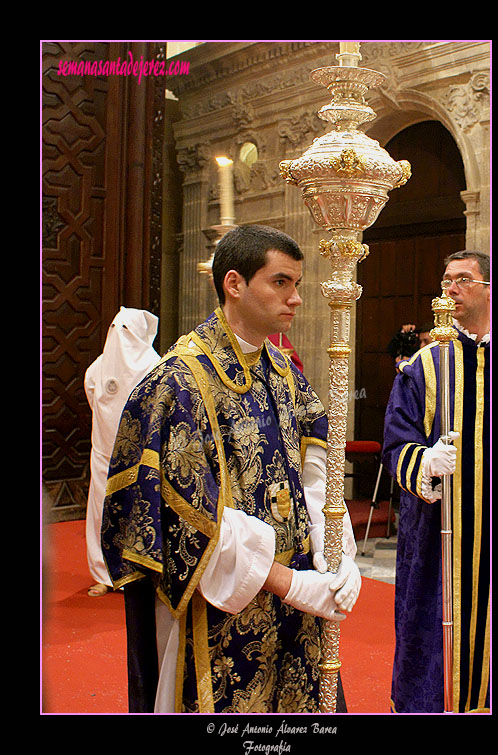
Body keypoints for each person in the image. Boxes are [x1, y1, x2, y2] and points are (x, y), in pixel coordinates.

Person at [101, 225, 361, 713]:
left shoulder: (284, 374)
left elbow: (318, 474)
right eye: (281, 282)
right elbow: (184, 519)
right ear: (234, 284)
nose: (296, 299)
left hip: (296, 610)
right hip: (219, 607)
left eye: (298, 285)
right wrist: (290, 583)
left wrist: (337, 554)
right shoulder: (177, 384)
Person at [382, 250, 490, 713]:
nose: (450, 288)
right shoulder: (425, 366)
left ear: (489, 288)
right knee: (431, 628)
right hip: (439, 534)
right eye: (446, 279)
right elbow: (395, 441)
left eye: (463, 279)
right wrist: (423, 462)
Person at [84, 307, 160, 597]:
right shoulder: (99, 366)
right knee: (100, 513)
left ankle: (139, 572)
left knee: (138, 510)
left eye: (126, 330)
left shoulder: (154, 365)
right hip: (104, 452)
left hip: (140, 457)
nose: (119, 336)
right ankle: (103, 573)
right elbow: (94, 395)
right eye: (115, 328)